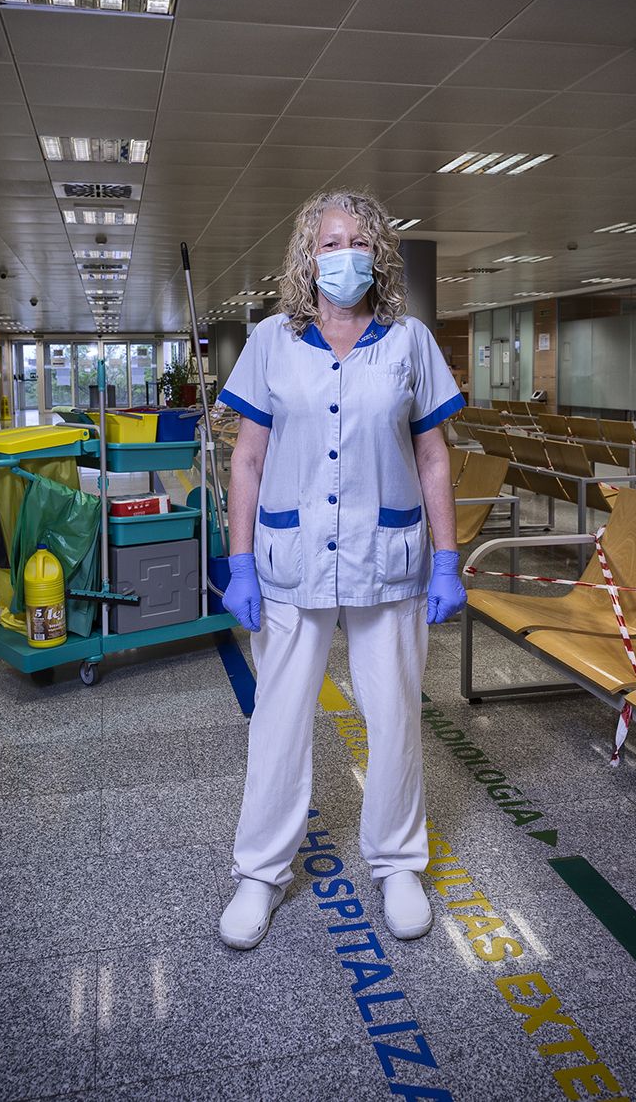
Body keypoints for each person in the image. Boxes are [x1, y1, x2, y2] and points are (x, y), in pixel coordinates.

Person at [213, 189, 467, 950]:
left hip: (388, 559)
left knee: (394, 717)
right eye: (329, 242)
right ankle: (259, 874)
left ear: (378, 253)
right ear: (306, 256)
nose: (344, 253)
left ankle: (396, 863)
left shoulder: (410, 340)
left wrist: (448, 559)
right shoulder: (269, 341)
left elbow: (432, 455)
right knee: (279, 721)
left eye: (357, 239)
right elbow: (248, 459)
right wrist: (239, 562)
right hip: (288, 560)